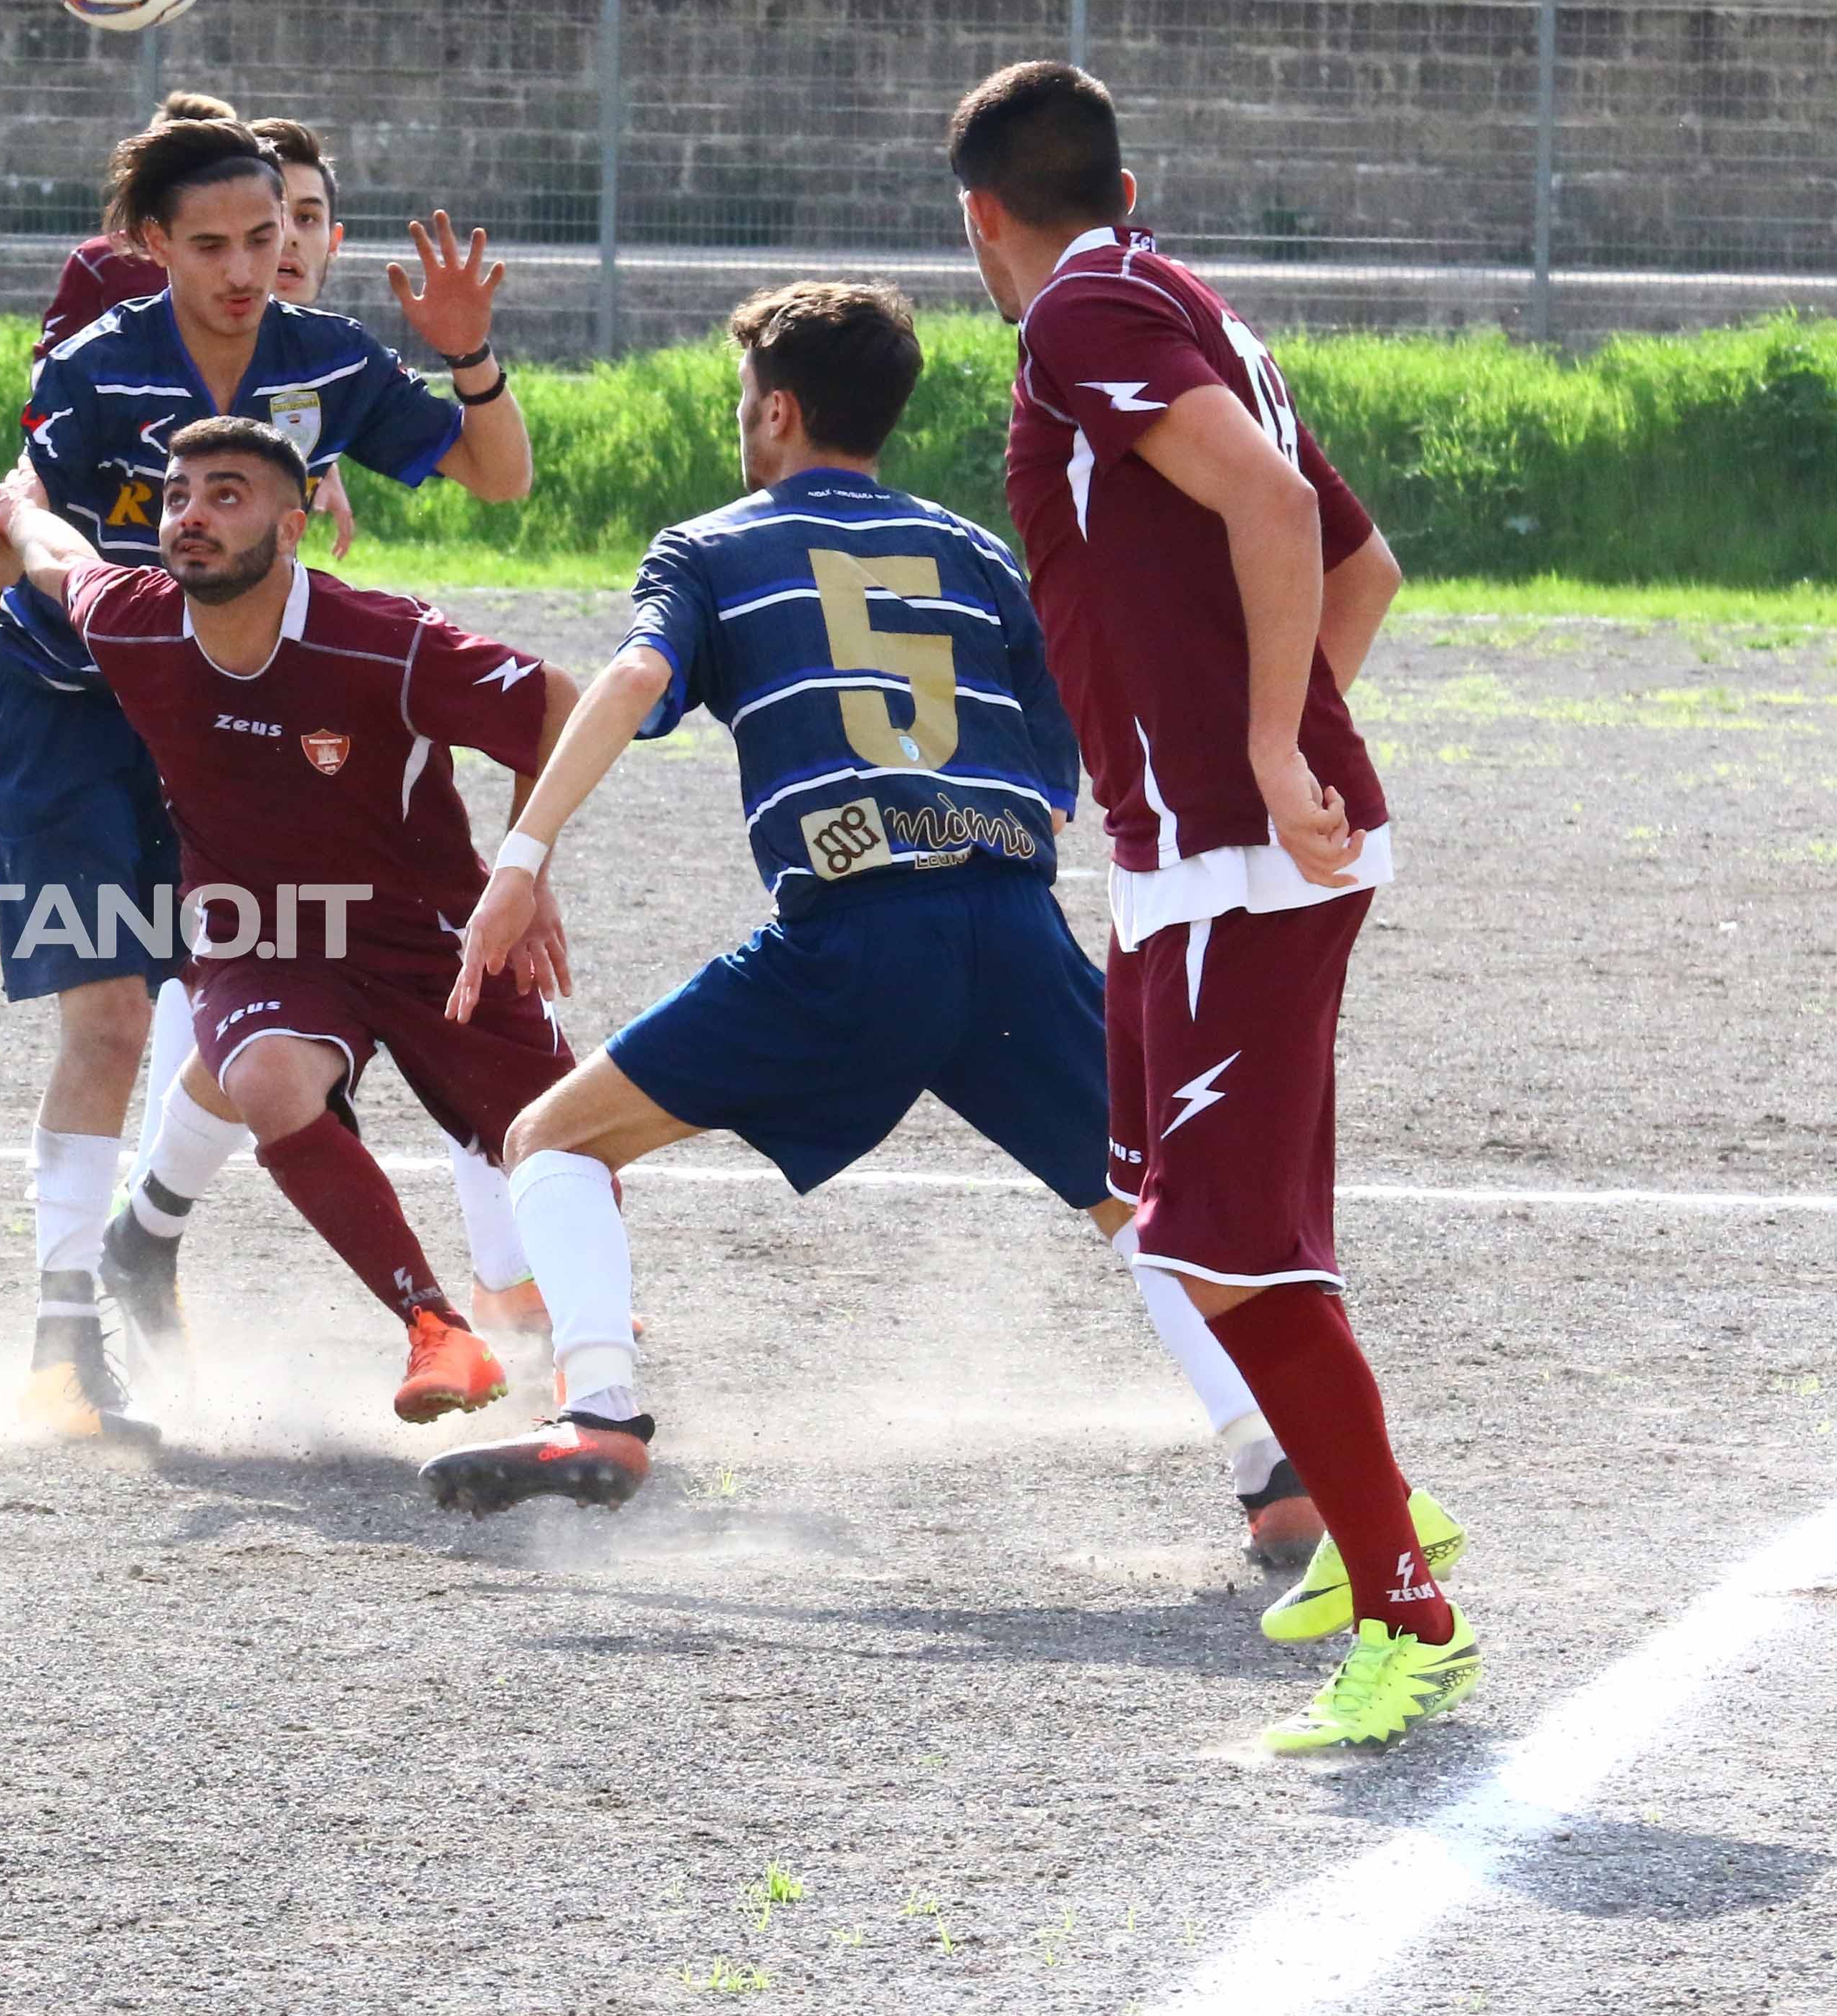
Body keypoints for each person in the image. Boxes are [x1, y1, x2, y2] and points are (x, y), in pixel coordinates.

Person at [427, 282, 1323, 1577]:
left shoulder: (711, 547)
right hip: (1014, 919)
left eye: (747, 404)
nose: (744, 425)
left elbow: (632, 678)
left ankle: (602, 1414)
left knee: (549, 1140)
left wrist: (521, 855)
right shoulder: (976, 552)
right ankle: (1277, 1469)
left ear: (778, 412)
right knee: (1140, 1203)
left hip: (852, 933)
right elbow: (1068, 732)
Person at [948, 60, 1463, 1757]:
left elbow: (1279, 508)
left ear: (982, 221)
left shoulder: (1079, 311)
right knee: (1153, 1192)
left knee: (1228, 1247)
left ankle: (1409, 1610)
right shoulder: (1178, 296)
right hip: (1192, 857)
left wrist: (1267, 747)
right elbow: (1363, 568)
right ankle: (1378, 1509)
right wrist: (1286, 748)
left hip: (1235, 854)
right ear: (1126, 176)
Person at [0, 113, 534, 1398]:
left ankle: (146, 1232)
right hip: (68, 719)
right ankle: (65, 1340)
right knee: (114, 1021)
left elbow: (498, 480)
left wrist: (470, 361)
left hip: (238, 728)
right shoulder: (98, 367)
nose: (247, 266)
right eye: (214, 243)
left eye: (269, 236)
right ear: (150, 245)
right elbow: (3, 558)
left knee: (251, 1030)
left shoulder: (326, 362)